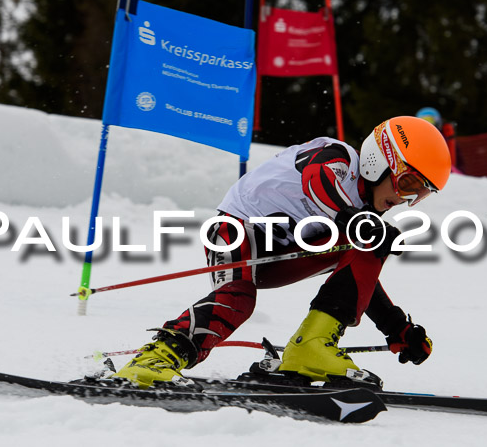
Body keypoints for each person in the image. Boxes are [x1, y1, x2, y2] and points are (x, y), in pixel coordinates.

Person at [113, 116, 452, 388]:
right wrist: (354, 220)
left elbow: (357, 275)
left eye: (419, 195)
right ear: (381, 160)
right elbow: (316, 181)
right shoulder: (338, 157)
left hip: (285, 250)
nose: (406, 200)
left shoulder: (364, 216)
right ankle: (156, 358)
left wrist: (397, 328)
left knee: (371, 244)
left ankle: (310, 348)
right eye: (407, 184)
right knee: (238, 299)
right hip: (235, 229)